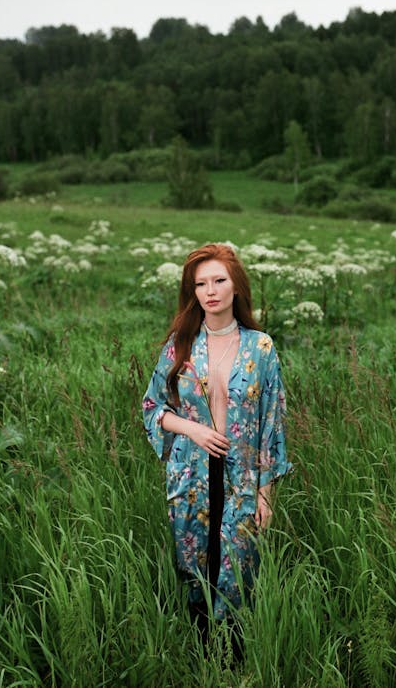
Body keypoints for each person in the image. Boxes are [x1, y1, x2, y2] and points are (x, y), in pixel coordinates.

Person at [142, 243, 291, 653]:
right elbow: (153, 408)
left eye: (219, 281)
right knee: (195, 567)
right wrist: (193, 429)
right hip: (190, 474)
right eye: (200, 284)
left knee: (239, 565)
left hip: (242, 476)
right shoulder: (180, 344)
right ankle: (199, 653)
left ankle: (238, 657)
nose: (210, 291)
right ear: (192, 292)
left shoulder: (261, 348)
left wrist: (266, 492)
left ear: (236, 286)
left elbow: (271, 426)